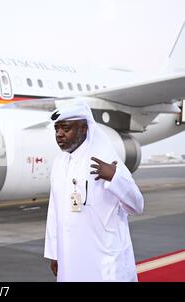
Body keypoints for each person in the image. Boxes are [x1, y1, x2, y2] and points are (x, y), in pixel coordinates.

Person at [44, 100, 144, 282]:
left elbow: (137, 206)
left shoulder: (107, 159)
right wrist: (54, 252)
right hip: (70, 258)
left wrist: (115, 177)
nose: (59, 134)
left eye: (66, 128)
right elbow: (54, 211)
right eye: (56, 129)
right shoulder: (59, 163)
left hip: (104, 259)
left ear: (83, 128)